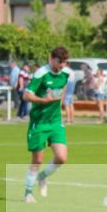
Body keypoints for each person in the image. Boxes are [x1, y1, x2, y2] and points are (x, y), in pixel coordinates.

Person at [23, 46, 72, 203]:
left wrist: (60, 107)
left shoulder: (66, 74)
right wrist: (43, 100)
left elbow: (62, 89)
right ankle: (28, 194)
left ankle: (42, 177)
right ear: (51, 58)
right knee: (37, 159)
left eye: (65, 63)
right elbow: (26, 95)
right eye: (60, 62)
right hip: (40, 122)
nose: (62, 66)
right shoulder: (41, 74)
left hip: (56, 121)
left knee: (61, 157)